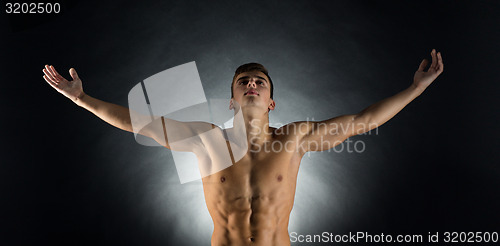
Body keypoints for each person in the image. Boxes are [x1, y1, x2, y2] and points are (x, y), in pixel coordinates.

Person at [42, 49, 444, 246]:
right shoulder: (206, 140)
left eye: (259, 82)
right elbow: (139, 123)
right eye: (243, 82)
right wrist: (82, 99)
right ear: (232, 99)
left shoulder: (295, 138)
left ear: (271, 102)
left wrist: (415, 88)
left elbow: (364, 121)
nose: (251, 85)